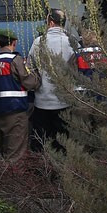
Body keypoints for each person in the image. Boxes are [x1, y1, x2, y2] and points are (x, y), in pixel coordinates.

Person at [0, 29, 40, 162]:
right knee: (16, 154)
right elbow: (29, 83)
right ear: (14, 43)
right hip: (15, 113)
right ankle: (11, 182)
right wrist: (37, 76)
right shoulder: (15, 60)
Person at [28, 9, 74, 153]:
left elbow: (30, 68)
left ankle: (43, 173)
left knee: (41, 145)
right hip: (64, 102)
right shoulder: (71, 42)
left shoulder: (38, 42)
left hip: (42, 102)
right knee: (63, 145)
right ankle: (63, 173)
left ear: (51, 23)